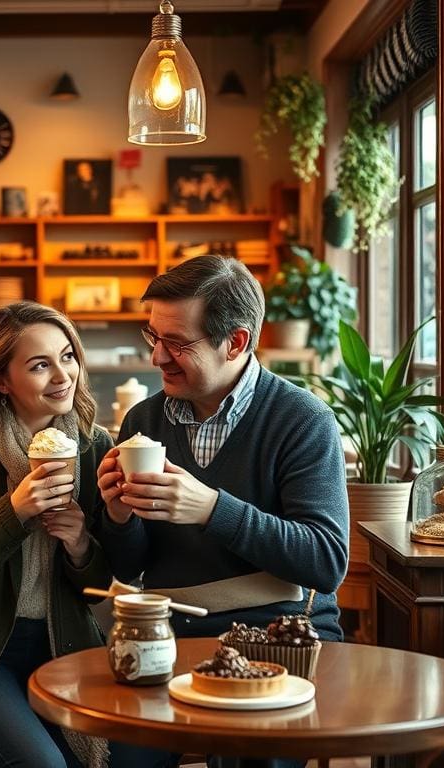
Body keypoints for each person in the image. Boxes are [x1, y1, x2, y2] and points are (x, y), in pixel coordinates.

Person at [96, 256, 349, 767]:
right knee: (122, 756)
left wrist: (211, 508)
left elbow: (325, 561)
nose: (157, 358)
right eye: (153, 337)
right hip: (166, 635)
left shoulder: (302, 420)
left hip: (278, 635)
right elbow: (129, 569)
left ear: (235, 342)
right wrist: (118, 516)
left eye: (178, 344)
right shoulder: (143, 420)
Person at [0, 301, 175, 768]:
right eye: (40, 365)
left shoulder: (95, 445)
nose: (63, 375)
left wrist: (80, 544)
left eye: (68, 356)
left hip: (65, 642)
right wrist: (13, 511)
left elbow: (106, 580)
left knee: (144, 755)